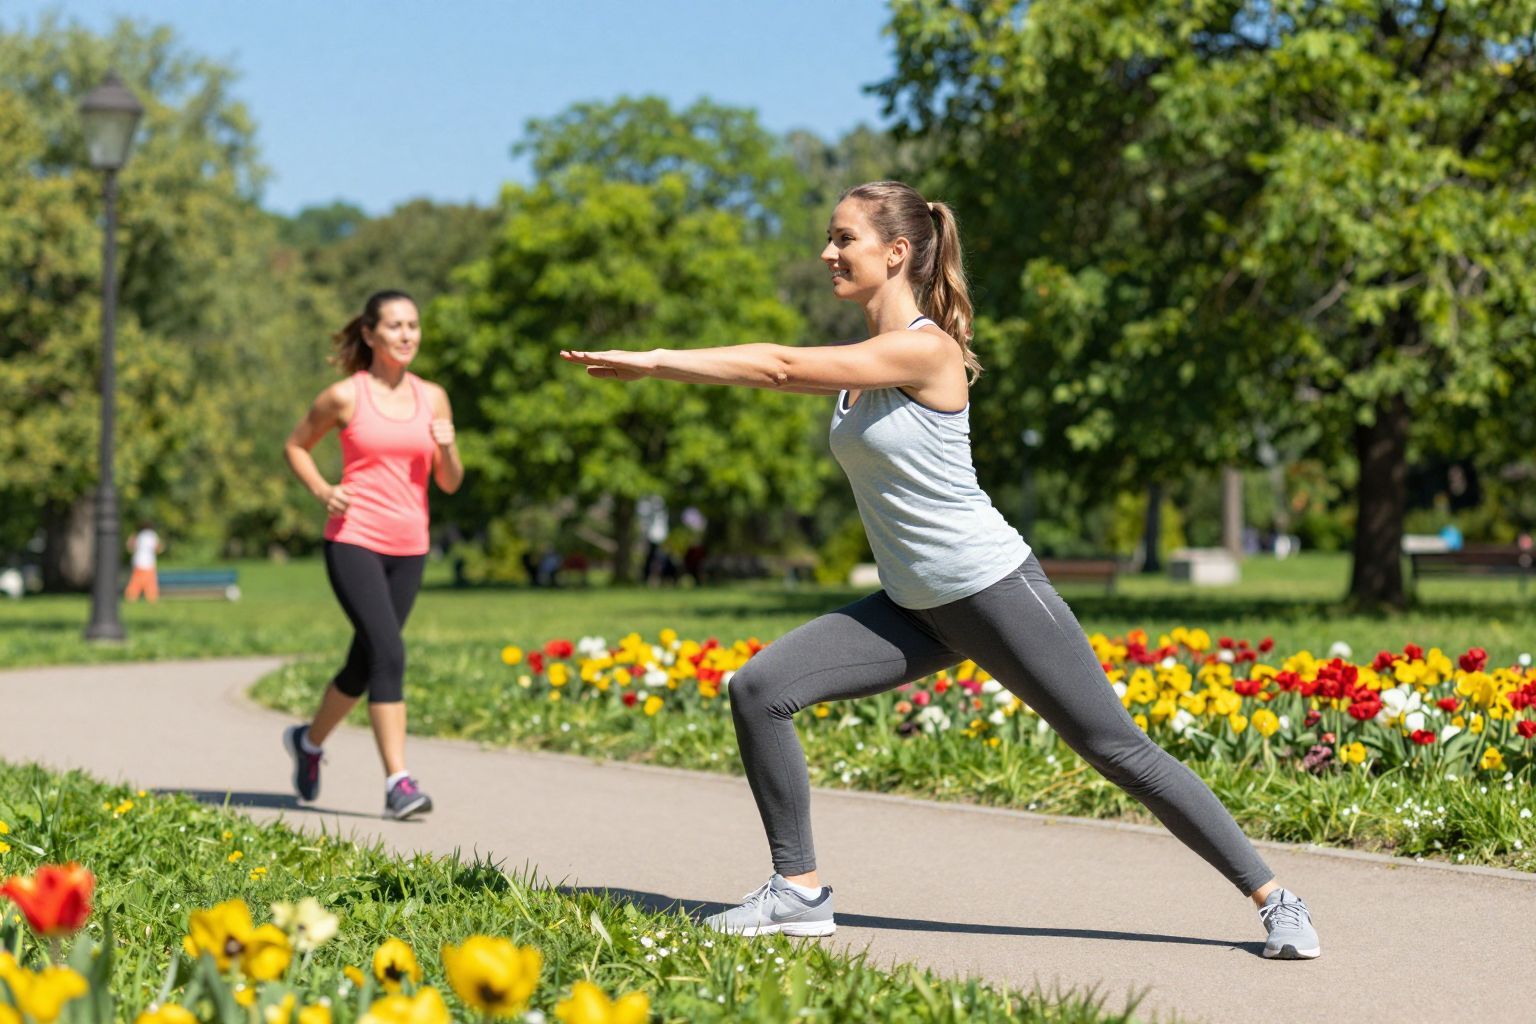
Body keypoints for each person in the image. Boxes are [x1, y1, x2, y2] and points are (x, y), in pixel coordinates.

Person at [561, 181, 1321, 960]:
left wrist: (655, 361)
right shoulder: (862, 366)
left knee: (1114, 748)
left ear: (895, 253)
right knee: (761, 690)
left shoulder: (927, 348)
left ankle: (1278, 900)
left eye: (843, 238)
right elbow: (795, 366)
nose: (827, 252)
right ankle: (798, 894)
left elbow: (782, 367)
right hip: (912, 606)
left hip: (992, 590)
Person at [282, 290, 464, 820]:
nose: (407, 335)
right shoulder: (344, 396)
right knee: (390, 653)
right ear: (369, 334)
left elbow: (449, 482)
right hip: (353, 537)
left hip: (410, 546)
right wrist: (322, 490)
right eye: (395, 326)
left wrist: (447, 445)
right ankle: (398, 783)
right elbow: (296, 446)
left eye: (414, 325)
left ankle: (308, 743)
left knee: (365, 663)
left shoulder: (434, 397)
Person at [124, 521, 163, 602]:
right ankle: (152, 598)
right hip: (149, 562)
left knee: (136, 581)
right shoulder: (152, 535)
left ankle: (131, 597)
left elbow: (130, 547)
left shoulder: (138, 535)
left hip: (138, 562)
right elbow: (158, 548)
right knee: (150, 582)